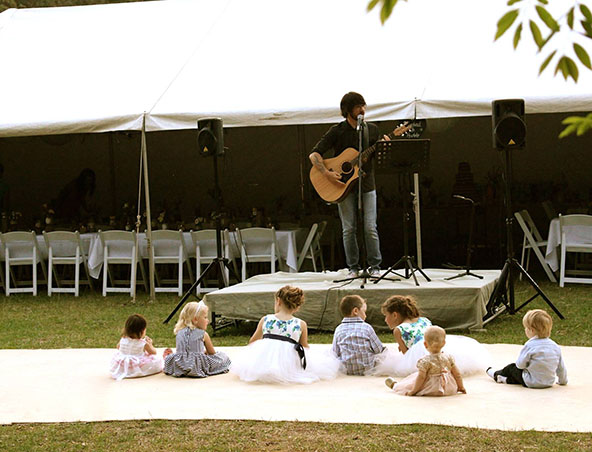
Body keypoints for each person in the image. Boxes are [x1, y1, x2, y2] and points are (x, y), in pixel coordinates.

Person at [309, 92, 387, 277]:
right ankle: (353, 268)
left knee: (370, 227)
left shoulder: (372, 130)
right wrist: (326, 173)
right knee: (349, 228)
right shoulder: (337, 131)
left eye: (363, 106)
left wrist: (384, 146)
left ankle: (375, 266)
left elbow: (379, 155)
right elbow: (314, 154)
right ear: (347, 110)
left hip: (367, 184)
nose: (362, 110)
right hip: (342, 187)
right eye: (358, 106)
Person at [231, 285, 341, 384]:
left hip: (264, 360)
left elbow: (253, 341)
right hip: (288, 363)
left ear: (278, 301)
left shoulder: (266, 319)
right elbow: (304, 346)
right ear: (297, 307)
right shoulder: (301, 324)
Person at [373, 295, 490, 377]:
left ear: (395, 315)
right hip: (436, 347)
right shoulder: (424, 320)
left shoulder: (399, 330)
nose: (385, 320)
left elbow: (406, 354)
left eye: (386, 316)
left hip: (421, 354)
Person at [487, 309, 567, 388]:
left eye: (526, 328)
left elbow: (520, 365)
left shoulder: (530, 345)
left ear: (531, 330)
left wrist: (526, 366)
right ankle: (504, 379)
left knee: (512, 368)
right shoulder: (555, 346)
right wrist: (563, 381)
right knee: (522, 375)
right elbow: (561, 367)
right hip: (548, 382)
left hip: (530, 382)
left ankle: (496, 373)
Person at [385, 326, 466, 396]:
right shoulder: (448, 357)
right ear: (444, 343)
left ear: (425, 344)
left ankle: (395, 385)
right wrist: (460, 387)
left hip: (432, 388)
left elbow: (421, 378)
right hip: (448, 388)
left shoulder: (425, 361)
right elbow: (457, 374)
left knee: (411, 381)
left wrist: (413, 391)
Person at [164, 301, 231, 378]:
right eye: (205, 317)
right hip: (197, 366)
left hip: (181, 365)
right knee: (222, 357)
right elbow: (212, 353)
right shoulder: (203, 334)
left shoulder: (179, 332)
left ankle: (169, 360)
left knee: (172, 357)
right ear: (195, 319)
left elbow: (184, 351)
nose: (207, 320)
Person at [332, 294, 386, 375]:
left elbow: (335, 352)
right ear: (355, 311)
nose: (365, 315)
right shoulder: (367, 328)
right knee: (384, 353)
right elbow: (379, 350)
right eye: (364, 312)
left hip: (347, 370)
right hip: (368, 369)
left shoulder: (339, 329)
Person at [109, 314, 164, 381]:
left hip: (123, 363)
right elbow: (153, 352)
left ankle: (125, 370)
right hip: (136, 363)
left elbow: (118, 347)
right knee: (157, 360)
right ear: (142, 331)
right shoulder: (143, 343)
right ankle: (135, 371)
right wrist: (150, 344)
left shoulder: (123, 339)